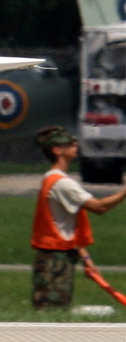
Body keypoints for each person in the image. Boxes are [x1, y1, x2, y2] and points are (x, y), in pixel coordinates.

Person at [31, 125, 126, 309]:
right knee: (51, 313)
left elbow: (66, 225)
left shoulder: (52, 179)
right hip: (55, 261)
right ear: (57, 150)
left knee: (57, 311)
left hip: (58, 257)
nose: (75, 144)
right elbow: (100, 207)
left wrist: (86, 259)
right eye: (69, 143)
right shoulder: (62, 183)